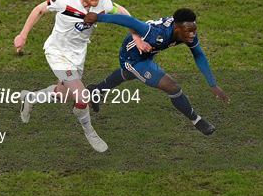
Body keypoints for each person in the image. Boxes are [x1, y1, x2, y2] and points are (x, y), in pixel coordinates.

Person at [13, 0, 149, 152]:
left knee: (64, 94)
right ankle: (90, 132)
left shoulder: (103, 4)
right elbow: (39, 9)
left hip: (77, 57)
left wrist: (136, 36)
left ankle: (30, 97)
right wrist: (23, 35)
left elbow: (124, 14)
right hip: (57, 53)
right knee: (83, 97)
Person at [83, 8, 229, 135]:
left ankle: (95, 90)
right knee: (172, 87)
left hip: (146, 54)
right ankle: (196, 120)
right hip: (132, 58)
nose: (192, 35)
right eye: (188, 31)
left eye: (194, 30)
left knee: (128, 74)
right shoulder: (155, 33)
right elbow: (129, 21)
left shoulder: (186, 31)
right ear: (177, 28)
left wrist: (213, 84)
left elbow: (199, 55)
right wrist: (98, 17)